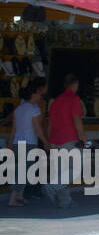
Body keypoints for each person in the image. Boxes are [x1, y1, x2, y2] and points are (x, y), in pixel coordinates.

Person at [45, 74, 87, 209]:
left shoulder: (55, 101)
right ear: (75, 85)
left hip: (55, 141)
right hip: (68, 140)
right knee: (74, 169)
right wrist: (83, 137)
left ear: (65, 85)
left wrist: (48, 141)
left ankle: (65, 201)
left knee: (60, 172)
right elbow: (76, 119)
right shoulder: (74, 99)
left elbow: (50, 124)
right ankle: (51, 187)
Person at [8, 78, 47, 206]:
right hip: (29, 143)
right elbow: (37, 129)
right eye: (37, 93)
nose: (39, 95)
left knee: (23, 169)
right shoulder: (34, 109)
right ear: (33, 94)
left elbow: (14, 129)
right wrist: (45, 142)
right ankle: (13, 199)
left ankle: (19, 196)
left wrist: (10, 142)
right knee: (24, 171)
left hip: (17, 143)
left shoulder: (18, 109)